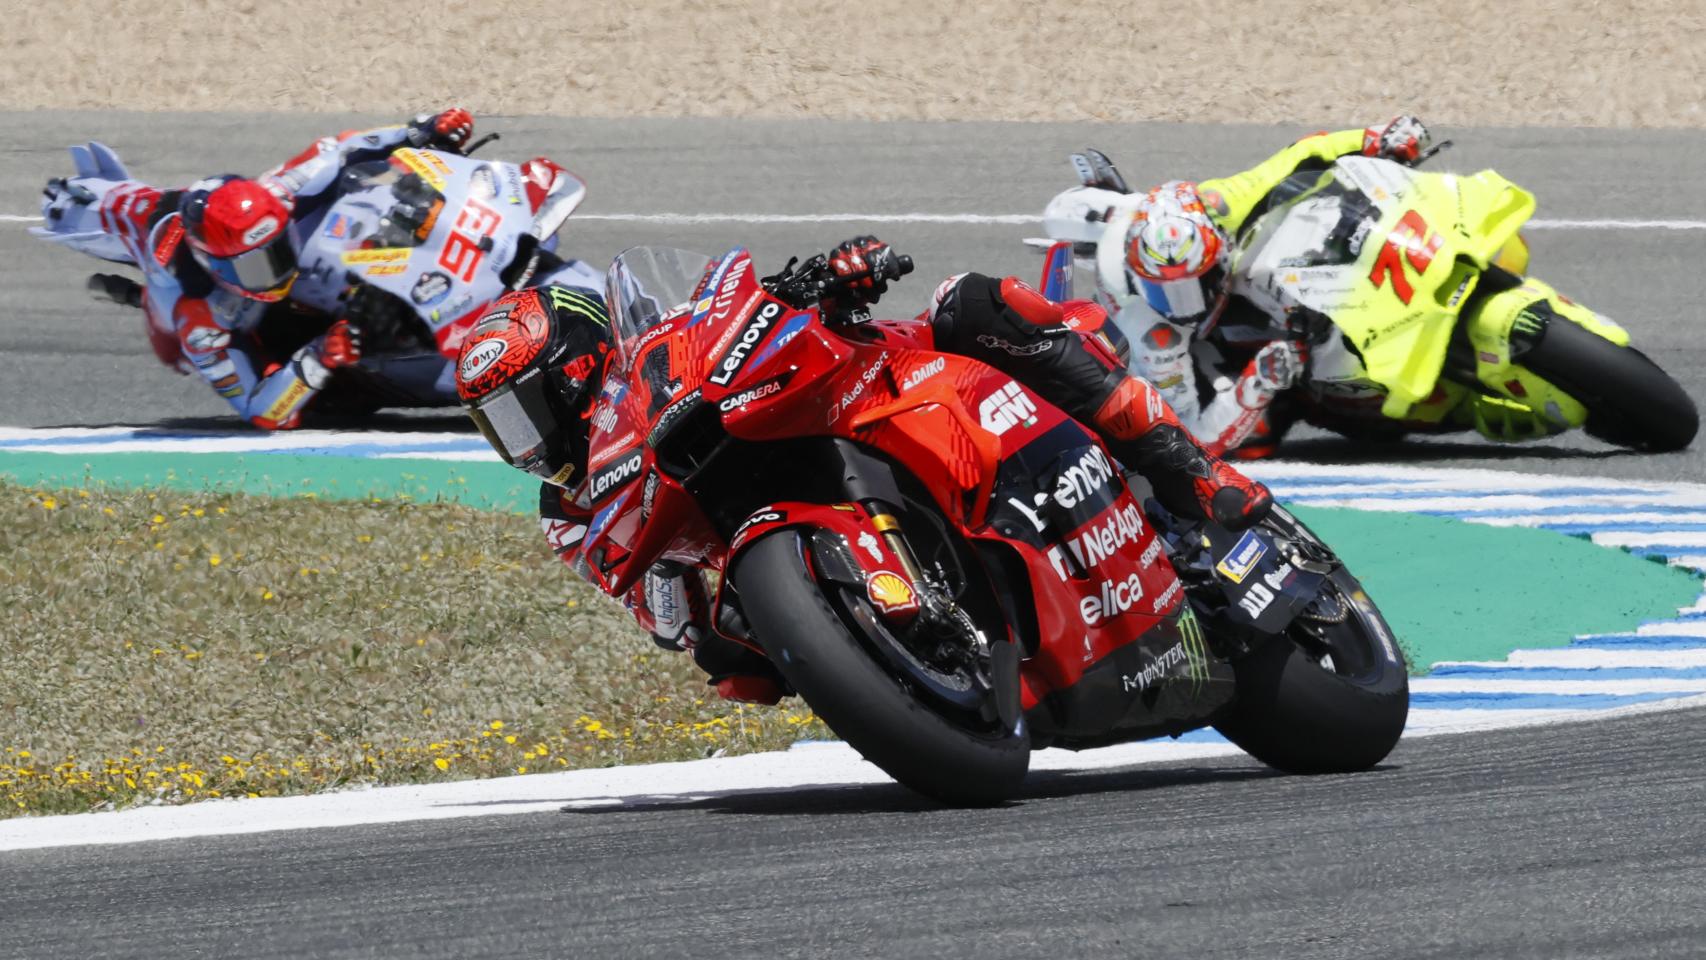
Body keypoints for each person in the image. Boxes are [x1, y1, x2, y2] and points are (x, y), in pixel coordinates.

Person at [456, 239, 1275, 705]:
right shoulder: (571, 511)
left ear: (576, 367)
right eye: (499, 427)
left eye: (522, 411)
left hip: (884, 384)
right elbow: (666, 616)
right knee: (735, 663)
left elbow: (745, 313)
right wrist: (725, 632)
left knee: (972, 303)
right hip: (762, 531)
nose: (519, 441)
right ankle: (923, 646)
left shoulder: (666, 344)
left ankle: (1191, 472)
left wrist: (829, 278)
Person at [40, 109, 477, 428]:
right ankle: (135, 293)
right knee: (324, 397)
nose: (277, 269)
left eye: (279, 248)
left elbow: (342, 147)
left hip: (189, 219)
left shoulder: (278, 191)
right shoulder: (197, 312)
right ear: (217, 264)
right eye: (257, 265)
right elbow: (260, 407)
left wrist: (420, 130)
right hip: (188, 301)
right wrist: (321, 354)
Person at [1090, 116, 1434, 456]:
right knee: (1261, 434)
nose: (1185, 309)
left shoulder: (1221, 204)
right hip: (1193, 357)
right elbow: (1194, 437)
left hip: (1245, 282)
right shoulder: (1154, 334)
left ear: (1218, 253)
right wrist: (1259, 381)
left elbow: (1302, 155)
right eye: (1165, 292)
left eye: (1192, 286)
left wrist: (1375, 139)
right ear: (1142, 280)